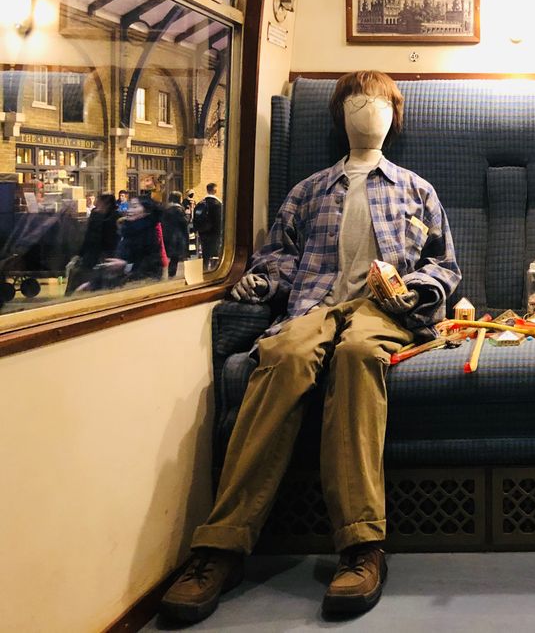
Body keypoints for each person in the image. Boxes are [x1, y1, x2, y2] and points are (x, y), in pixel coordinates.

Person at [159, 70, 461, 625]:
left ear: (395, 118)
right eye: (357, 102)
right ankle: (221, 544)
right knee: (284, 355)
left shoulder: (417, 190)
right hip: (314, 305)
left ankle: (362, 544)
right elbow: (280, 256)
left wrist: (416, 289)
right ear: (339, 114)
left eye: (380, 103)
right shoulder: (309, 190)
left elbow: (444, 265)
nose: (368, 111)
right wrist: (260, 283)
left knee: (357, 355)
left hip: (384, 311)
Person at [66, 192, 118, 294]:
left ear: (106, 203)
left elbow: (103, 238)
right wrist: (80, 254)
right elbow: (88, 237)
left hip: (104, 255)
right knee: (77, 276)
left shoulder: (112, 217)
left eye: (99, 201)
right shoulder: (96, 214)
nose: (96, 203)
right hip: (91, 255)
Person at [115, 194, 167, 283]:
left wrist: (124, 266)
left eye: (134, 207)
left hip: (143, 283)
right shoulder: (128, 230)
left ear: (147, 211)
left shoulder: (147, 232)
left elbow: (148, 264)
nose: (129, 210)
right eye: (129, 207)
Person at [193, 182, 224, 270]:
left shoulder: (200, 203)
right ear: (215, 190)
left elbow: (195, 218)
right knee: (215, 253)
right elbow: (219, 221)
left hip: (202, 232)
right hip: (214, 233)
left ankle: (204, 268)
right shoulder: (217, 204)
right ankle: (214, 270)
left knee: (205, 252)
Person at [162, 191, 190, 278]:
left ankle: (169, 272)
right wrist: (188, 215)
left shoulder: (166, 208)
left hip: (167, 234)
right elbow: (184, 222)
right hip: (177, 236)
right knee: (175, 257)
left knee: (170, 256)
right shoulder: (178, 209)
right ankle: (172, 274)